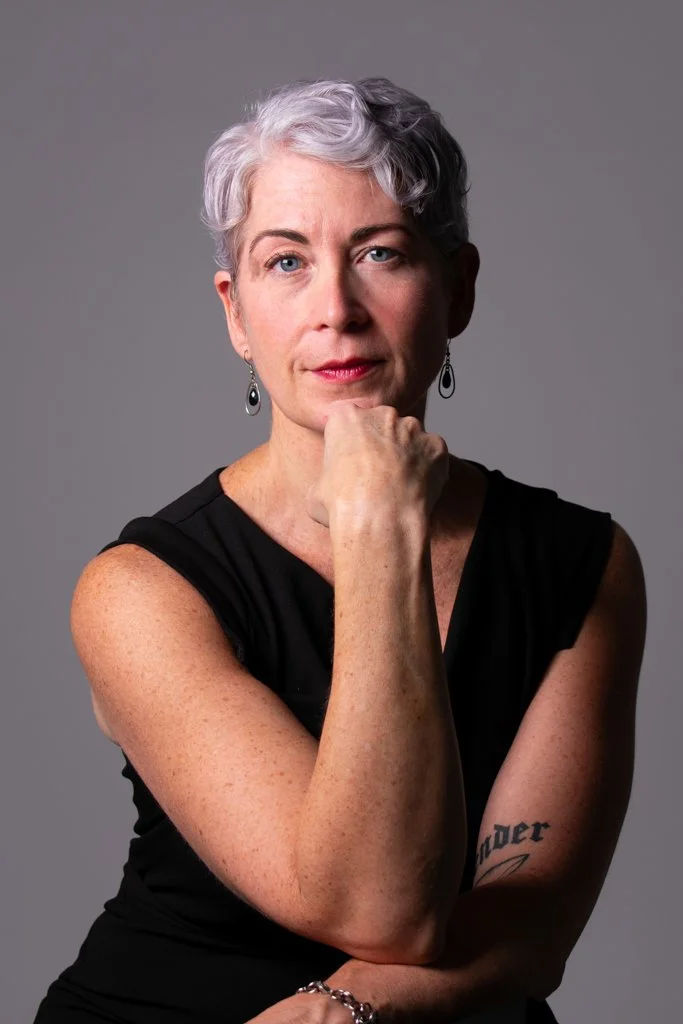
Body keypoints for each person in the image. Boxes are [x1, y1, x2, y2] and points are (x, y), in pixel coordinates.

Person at [33, 77, 647, 1024]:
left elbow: (527, 927)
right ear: (236, 313)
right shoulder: (138, 591)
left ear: (458, 287)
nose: (336, 308)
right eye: (285, 263)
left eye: (381, 253)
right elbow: (379, 906)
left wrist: (337, 1014)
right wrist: (382, 531)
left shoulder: (583, 563)